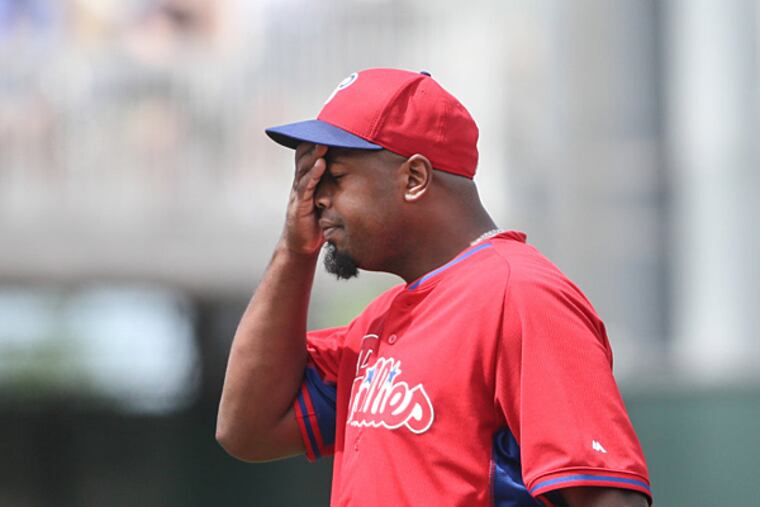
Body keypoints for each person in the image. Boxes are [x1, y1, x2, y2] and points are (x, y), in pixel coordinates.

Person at [216, 68, 652, 507]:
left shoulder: (519, 295)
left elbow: (609, 499)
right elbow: (247, 429)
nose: (316, 198)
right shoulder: (375, 324)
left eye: (336, 177)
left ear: (414, 178)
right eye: (311, 179)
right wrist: (293, 251)